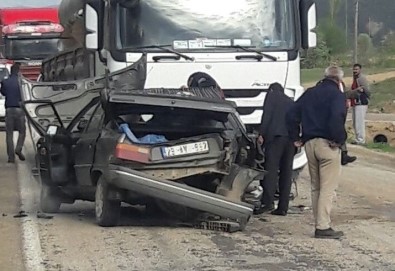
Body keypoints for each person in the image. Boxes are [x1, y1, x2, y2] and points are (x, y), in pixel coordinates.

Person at [286, 66, 347, 239]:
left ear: (325, 76)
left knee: (316, 187)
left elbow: (291, 113)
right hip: (328, 144)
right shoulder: (337, 95)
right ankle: (323, 226)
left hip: (310, 144)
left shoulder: (310, 93)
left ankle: (319, 223)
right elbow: (337, 117)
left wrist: (295, 136)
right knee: (328, 188)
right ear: (338, 80)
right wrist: (339, 139)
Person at [254, 82, 295, 216]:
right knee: (286, 172)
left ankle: (267, 202)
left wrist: (261, 134)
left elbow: (267, 116)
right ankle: (283, 207)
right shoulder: (290, 101)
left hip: (275, 138)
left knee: (270, 170)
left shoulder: (271, 97)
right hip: (289, 139)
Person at [0, 64, 26, 163]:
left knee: (9, 134)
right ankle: (18, 148)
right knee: (22, 131)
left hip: (9, 109)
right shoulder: (22, 82)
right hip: (19, 109)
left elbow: (3, 93)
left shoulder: (5, 82)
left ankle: (11, 158)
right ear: (19, 71)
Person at [349, 64, 370, 145]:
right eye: (354, 69)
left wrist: (363, 92)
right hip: (355, 103)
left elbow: (367, 90)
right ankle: (358, 138)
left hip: (361, 102)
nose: (355, 71)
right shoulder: (355, 78)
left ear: (360, 70)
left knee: (359, 122)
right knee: (355, 122)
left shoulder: (361, 78)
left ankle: (361, 140)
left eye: (356, 69)